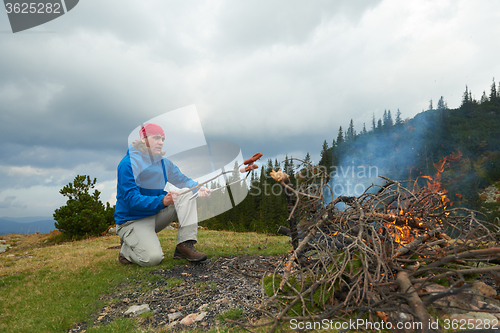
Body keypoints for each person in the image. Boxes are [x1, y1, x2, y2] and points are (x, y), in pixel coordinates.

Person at [114, 123, 211, 266]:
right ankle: (126, 251)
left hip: (154, 214)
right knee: (152, 259)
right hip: (131, 220)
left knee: (186, 194)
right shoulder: (127, 164)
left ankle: (184, 245)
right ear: (143, 139)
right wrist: (162, 201)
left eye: (163, 139)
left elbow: (182, 180)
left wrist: (199, 188)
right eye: (156, 138)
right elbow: (132, 200)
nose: (160, 142)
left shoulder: (164, 163)